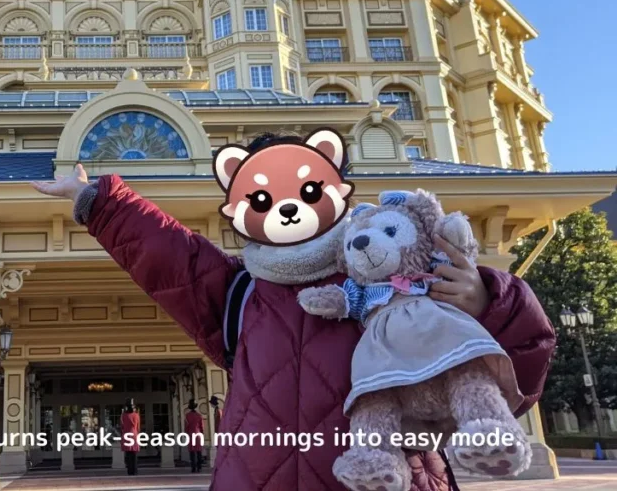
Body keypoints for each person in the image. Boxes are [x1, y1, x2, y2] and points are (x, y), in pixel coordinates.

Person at [31, 132, 556, 491]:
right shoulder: (240, 296)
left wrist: (489, 302)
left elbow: (520, 366)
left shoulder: (397, 279)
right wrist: (96, 200)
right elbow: (171, 256)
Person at [120, 398, 140, 476]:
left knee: (128, 455)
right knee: (134, 455)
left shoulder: (123, 415)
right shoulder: (136, 415)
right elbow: (138, 427)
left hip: (126, 434)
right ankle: (135, 470)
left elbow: (122, 426)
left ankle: (130, 470)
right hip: (134, 434)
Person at [185, 399, 205, 473]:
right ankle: (199, 467)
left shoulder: (187, 416)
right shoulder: (199, 416)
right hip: (198, 434)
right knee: (199, 451)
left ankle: (193, 467)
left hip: (191, 434)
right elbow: (202, 427)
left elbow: (186, 426)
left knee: (192, 452)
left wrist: (187, 433)